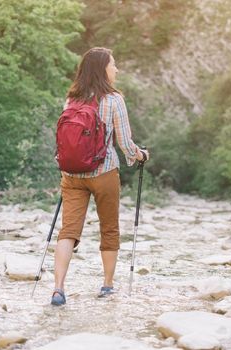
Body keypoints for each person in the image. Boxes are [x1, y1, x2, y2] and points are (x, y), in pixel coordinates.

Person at [51, 47, 149, 306]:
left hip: (71, 174)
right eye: (113, 65)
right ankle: (107, 285)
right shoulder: (114, 99)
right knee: (109, 227)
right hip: (103, 172)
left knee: (68, 231)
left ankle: (58, 288)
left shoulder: (72, 99)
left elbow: (63, 140)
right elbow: (125, 143)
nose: (116, 69)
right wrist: (140, 156)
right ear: (103, 69)